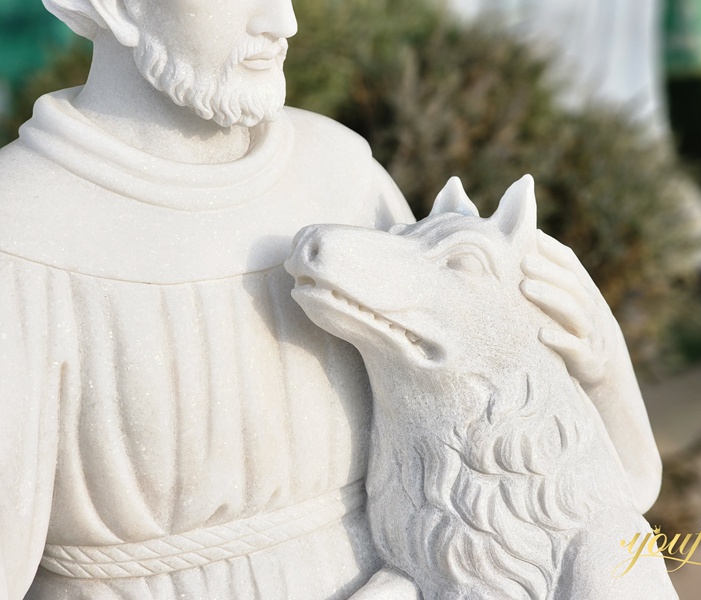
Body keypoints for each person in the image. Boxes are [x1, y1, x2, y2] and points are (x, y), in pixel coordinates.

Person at [0, 1, 662, 598]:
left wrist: (602, 370)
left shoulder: (340, 174)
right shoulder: (23, 229)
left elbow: (569, 492)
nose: (282, 22)